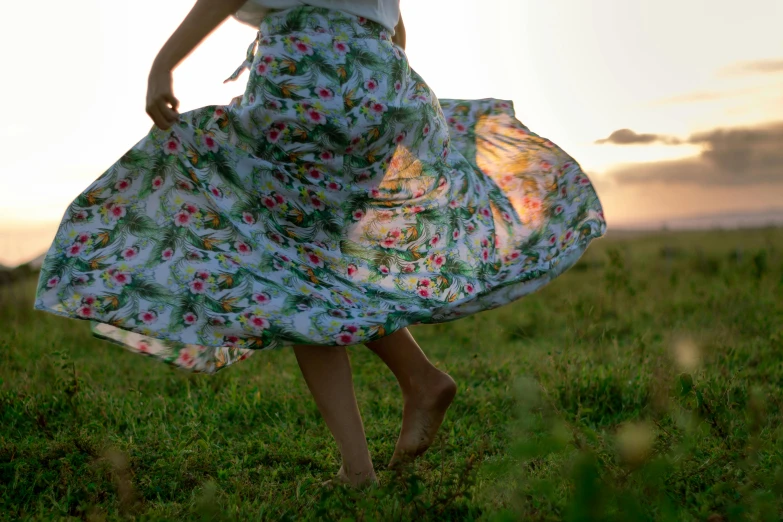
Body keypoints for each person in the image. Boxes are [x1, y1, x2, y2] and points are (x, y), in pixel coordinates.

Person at [33, 0, 606, 488]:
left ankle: (367, 456)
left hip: (305, 80)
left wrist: (162, 67)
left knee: (294, 275)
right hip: (383, 85)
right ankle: (416, 388)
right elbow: (396, 28)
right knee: (314, 271)